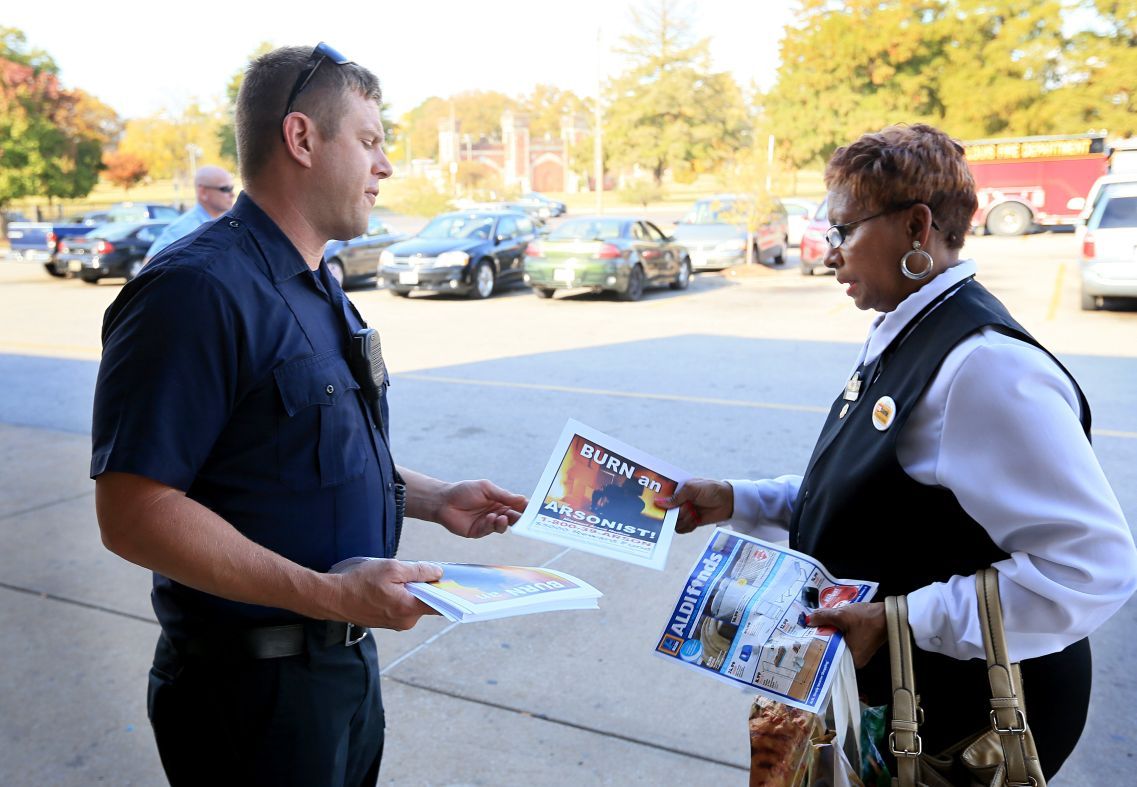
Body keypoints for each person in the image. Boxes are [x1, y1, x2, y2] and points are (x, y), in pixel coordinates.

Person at [91, 43, 527, 787]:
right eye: (369, 140)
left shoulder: (319, 284)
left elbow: (310, 449)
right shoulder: (195, 292)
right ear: (300, 138)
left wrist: (432, 497)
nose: (385, 165)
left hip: (340, 670)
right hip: (249, 695)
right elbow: (133, 512)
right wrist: (327, 593)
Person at [658, 124, 1137, 780]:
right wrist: (737, 499)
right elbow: (872, 490)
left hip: (965, 725)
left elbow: (1092, 566)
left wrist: (901, 619)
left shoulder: (983, 367)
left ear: (916, 228)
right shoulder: (906, 329)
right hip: (902, 700)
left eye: (843, 231)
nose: (829, 254)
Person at [144, 165, 236, 260]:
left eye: (232, 188)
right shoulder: (182, 229)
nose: (232, 194)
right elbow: (149, 263)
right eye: (225, 189)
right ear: (203, 192)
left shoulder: (228, 223)